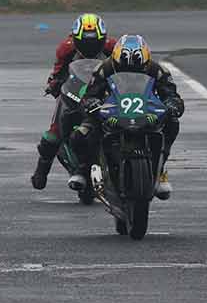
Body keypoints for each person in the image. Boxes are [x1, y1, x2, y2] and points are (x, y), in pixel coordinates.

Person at [66, 33, 184, 198]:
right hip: (111, 111)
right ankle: (84, 169)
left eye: (137, 67)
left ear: (146, 61)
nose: (130, 70)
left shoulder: (158, 70)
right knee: (79, 135)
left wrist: (173, 105)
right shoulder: (104, 69)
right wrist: (92, 104)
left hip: (147, 112)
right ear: (116, 61)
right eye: (124, 67)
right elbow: (89, 95)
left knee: (172, 122)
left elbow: (171, 94)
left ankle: (160, 168)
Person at [31, 13, 117, 190]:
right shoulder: (66, 48)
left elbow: (124, 69)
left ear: (103, 38)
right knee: (54, 133)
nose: (90, 46)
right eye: (85, 42)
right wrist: (54, 84)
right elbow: (57, 71)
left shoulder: (113, 47)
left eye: (95, 42)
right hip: (75, 89)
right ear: (75, 39)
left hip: (102, 89)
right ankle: (41, 171)